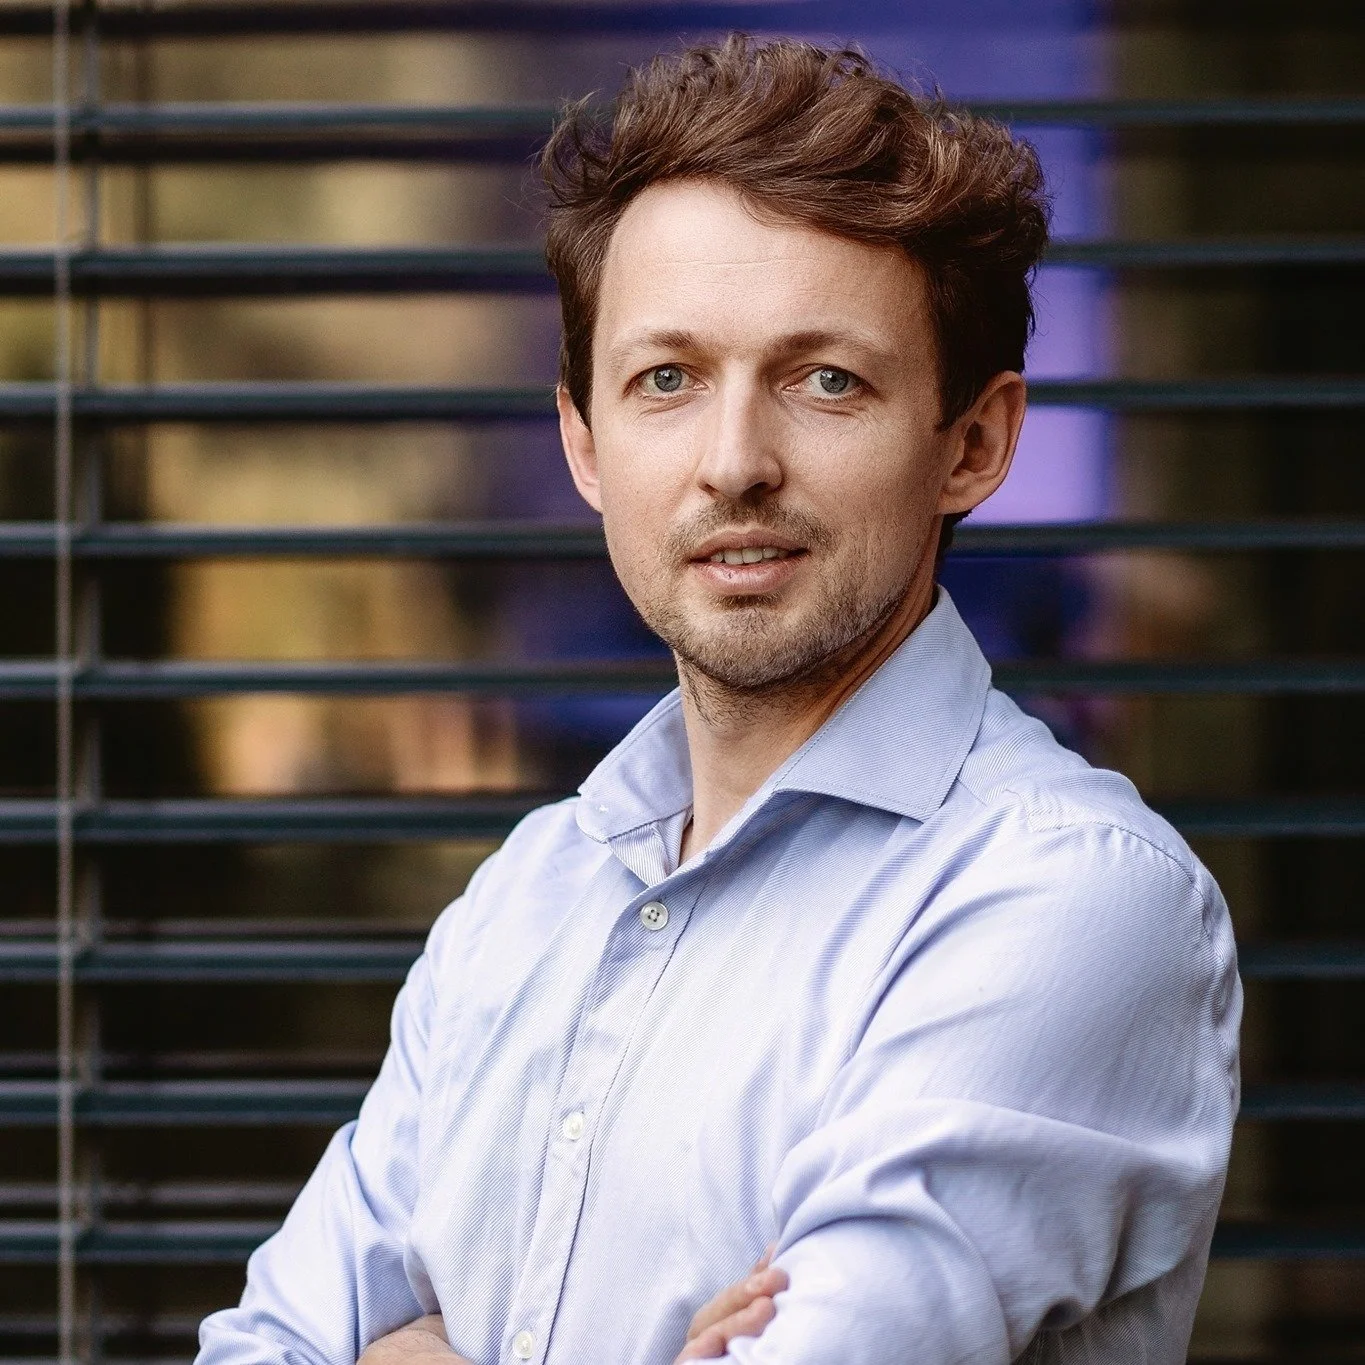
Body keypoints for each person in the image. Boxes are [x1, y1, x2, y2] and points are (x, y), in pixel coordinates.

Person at [196, 35, 1241, 1365]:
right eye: (667, 380)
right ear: (586, 441)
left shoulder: (1072, 901)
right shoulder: (527, 902)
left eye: (824, 380)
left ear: (972, 443)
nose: (735, 463)